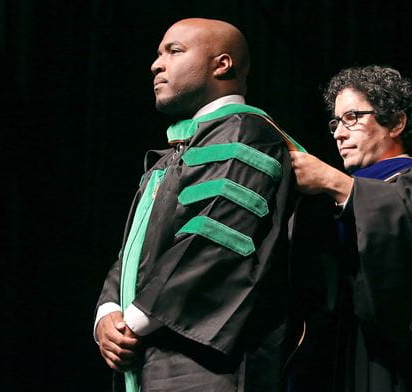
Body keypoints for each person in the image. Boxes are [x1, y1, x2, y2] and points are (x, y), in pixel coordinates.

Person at [94, 18, 304, 391]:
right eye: (159, 53)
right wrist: (108, 312)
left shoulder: (244, 133)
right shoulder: (176, 154)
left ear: (222, 64)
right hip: (153, 353)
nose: (157, 64)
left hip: (206, 362)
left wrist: (134, 318)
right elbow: (135, 252)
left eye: (174, 51)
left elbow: (216, 237)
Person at [290, 65, 412, 391]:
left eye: (352, 118)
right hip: (341, 356)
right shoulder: (337, 198)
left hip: (404, 367)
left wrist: (337, 184)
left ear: (396, 123)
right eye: (335, 122)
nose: (338, 133)